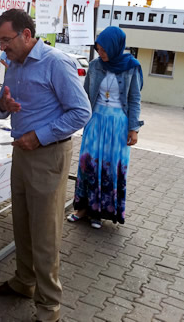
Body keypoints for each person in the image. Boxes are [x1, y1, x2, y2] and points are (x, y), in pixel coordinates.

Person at [0, 9, 91, 322]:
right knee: (22, 225)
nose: (2, 47)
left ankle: (49, 308)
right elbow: (0, 107)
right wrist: (3, 105)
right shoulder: (14, 64)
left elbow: (81, 112)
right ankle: (24, 282)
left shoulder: (55, 62)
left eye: (6, 40)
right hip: (22, 153)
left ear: (26, 35)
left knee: (45, 234)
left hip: (47, 155)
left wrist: (39, 137)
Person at [67, 26, 143, 229]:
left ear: (114, 46)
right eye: (98, 49)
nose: (100, 53)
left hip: (118, 124)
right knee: (88, 164)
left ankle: (98, 213)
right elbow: (85, 94)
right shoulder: (94, 65)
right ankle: (82, 209)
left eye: (104, 49)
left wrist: (133, 129)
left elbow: (134, 99)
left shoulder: (131, 67)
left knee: (109, 168)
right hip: (96, 120)